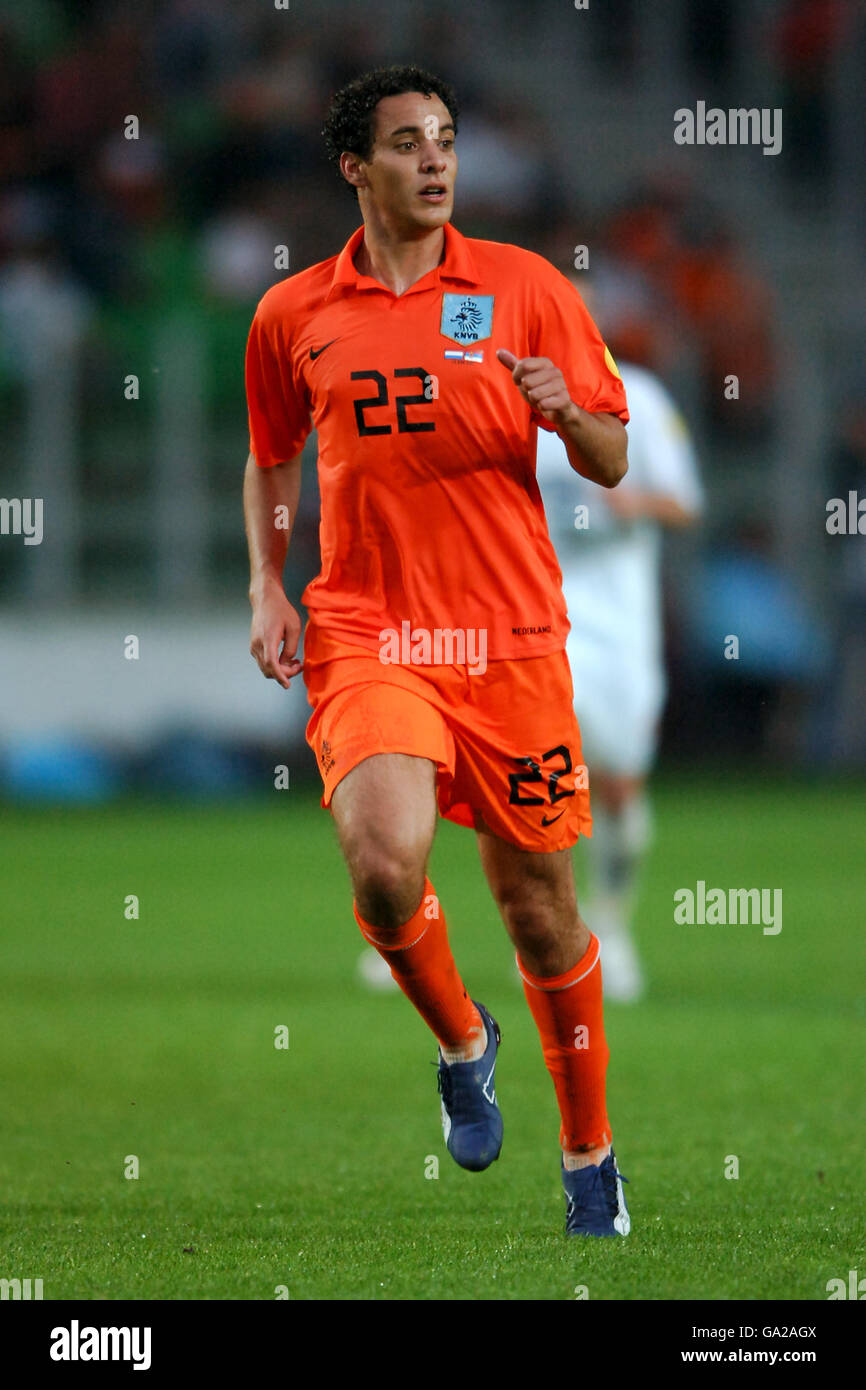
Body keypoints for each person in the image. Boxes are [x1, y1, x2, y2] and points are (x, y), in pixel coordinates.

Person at [243, 65, 631, 1236]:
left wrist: (565, 409)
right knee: (381, 863)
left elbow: (610, 457)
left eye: (446, 140)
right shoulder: (293, 313)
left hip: (508, 639)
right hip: (371, 632)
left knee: (538, 909)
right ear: (354, 165)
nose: (435, 159)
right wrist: (268, 581)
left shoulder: (520, 288)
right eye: (408, 142)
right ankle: (462, 1038)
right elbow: (272, 458)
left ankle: (588, 1161)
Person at [534, 308, 703, 1000]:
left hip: (619, 629)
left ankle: (614, 922)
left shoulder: (640, 394)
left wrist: (632, 504)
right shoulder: (509, 395)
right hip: (535, 618)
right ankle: (408, 925)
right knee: (527, 781)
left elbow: (685, 502)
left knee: (620, 785)